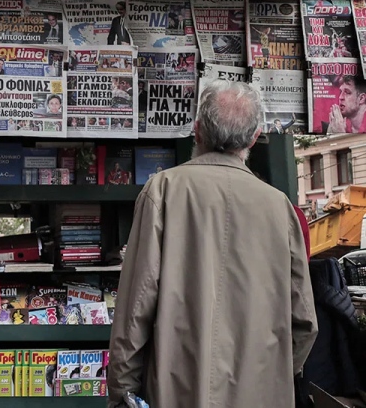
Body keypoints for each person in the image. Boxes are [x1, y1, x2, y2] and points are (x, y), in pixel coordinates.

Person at [107, 81, 318, 408]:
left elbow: (136, 308)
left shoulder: (162, 190)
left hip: (175, 392)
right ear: (254, 136)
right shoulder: (280, 207)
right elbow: (304, 320)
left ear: (197, 130)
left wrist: (123, 393)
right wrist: (267, 374)